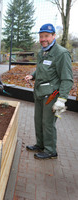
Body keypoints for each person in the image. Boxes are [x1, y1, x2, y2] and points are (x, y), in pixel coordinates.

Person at [25, 23, 73, 159]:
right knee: (38, 121)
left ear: (53, 36)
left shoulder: (61, 53)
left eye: (46, 36)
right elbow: (42, 69)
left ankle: (51, 150)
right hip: (40, 93)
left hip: (51, 95)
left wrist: (62, 99)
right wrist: (33, 76)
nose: (43, 39)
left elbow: (67, 79)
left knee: (48, 124)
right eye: (41, 36)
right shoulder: (42, 51)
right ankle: (40, 145)